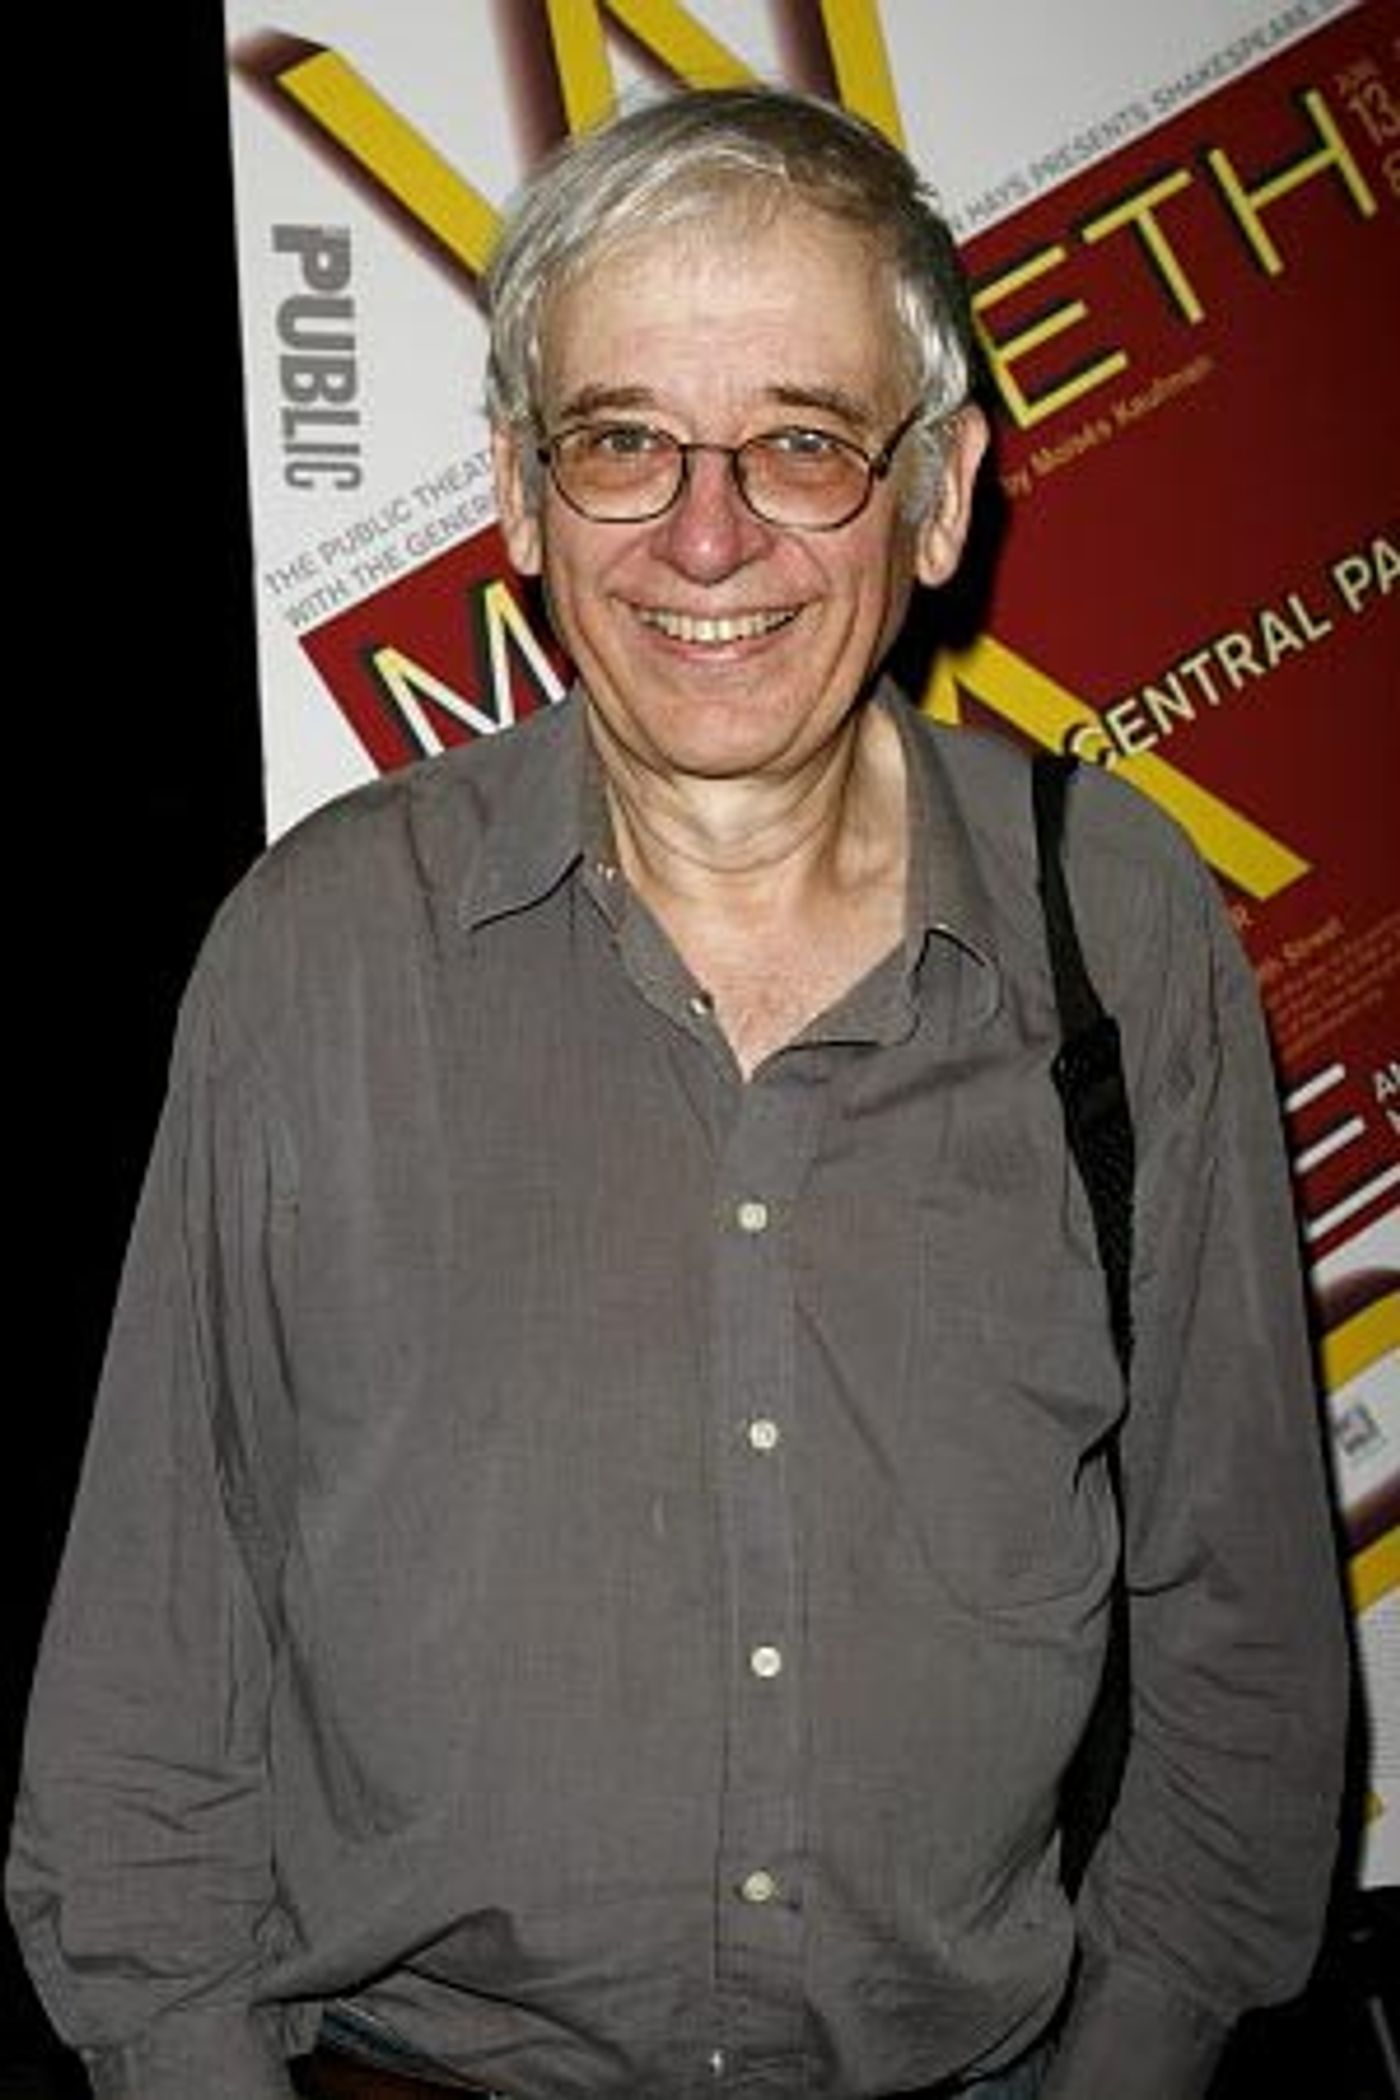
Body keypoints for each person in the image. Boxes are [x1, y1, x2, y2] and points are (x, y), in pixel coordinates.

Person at [7, 84, 1350, 2100]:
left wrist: (1133, 2056)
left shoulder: (1120, 924)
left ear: (938, 493)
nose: (705, 539)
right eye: (623, 441)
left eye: (802, 443)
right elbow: (150, 1665)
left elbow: (1239, 1611)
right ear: (520, 494)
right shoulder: (319, 952)